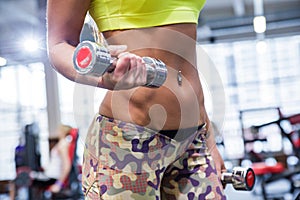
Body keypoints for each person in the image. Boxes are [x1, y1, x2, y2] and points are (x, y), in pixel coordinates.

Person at [46, 0, 227, 199]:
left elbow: (184, 61)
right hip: (127, 143)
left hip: (193, 140)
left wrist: (209, 141)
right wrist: (104, 78)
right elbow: (58, 44)